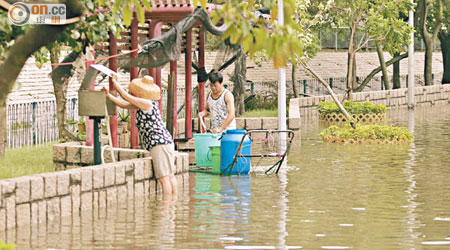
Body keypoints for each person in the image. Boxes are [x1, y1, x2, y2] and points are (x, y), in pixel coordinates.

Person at [102, 75, 177, 197]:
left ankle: (166, 207)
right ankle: (172, 205)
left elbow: (125, 96)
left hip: (159, 144)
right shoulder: (146, 103)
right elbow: (123, 104)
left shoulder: (146, 102)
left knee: (164, 179)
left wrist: (115, 82)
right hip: (166, 142)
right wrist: (109, 96)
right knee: (169, 176)